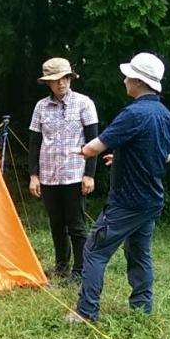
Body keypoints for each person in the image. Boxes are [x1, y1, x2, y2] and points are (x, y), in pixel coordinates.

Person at [66, 52, 170, 324]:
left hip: (127, 201)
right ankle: (141, 310)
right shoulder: (165, 115)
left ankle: (85, 312)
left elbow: (94, 147)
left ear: (138, 81)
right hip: (151, 200)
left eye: (128, 76)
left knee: (94, 250)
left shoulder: (133, 114)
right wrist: (124, 157)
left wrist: (79, 150)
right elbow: (164, 156)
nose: (124, 80)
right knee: (139, 253)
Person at [28, 57, 99, 281]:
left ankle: (80, 270)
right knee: (56, 223)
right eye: (56, 79)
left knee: (76, 225)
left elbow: (94, 142)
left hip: (74, 174)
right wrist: (33, 175)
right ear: (47, 82)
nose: (61, 83)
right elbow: (34, 142)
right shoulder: (40, 107)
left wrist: (89, 174)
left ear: (70, 78)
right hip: (49, 175)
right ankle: (61, 266)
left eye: (65, 78)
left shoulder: (84, 103)